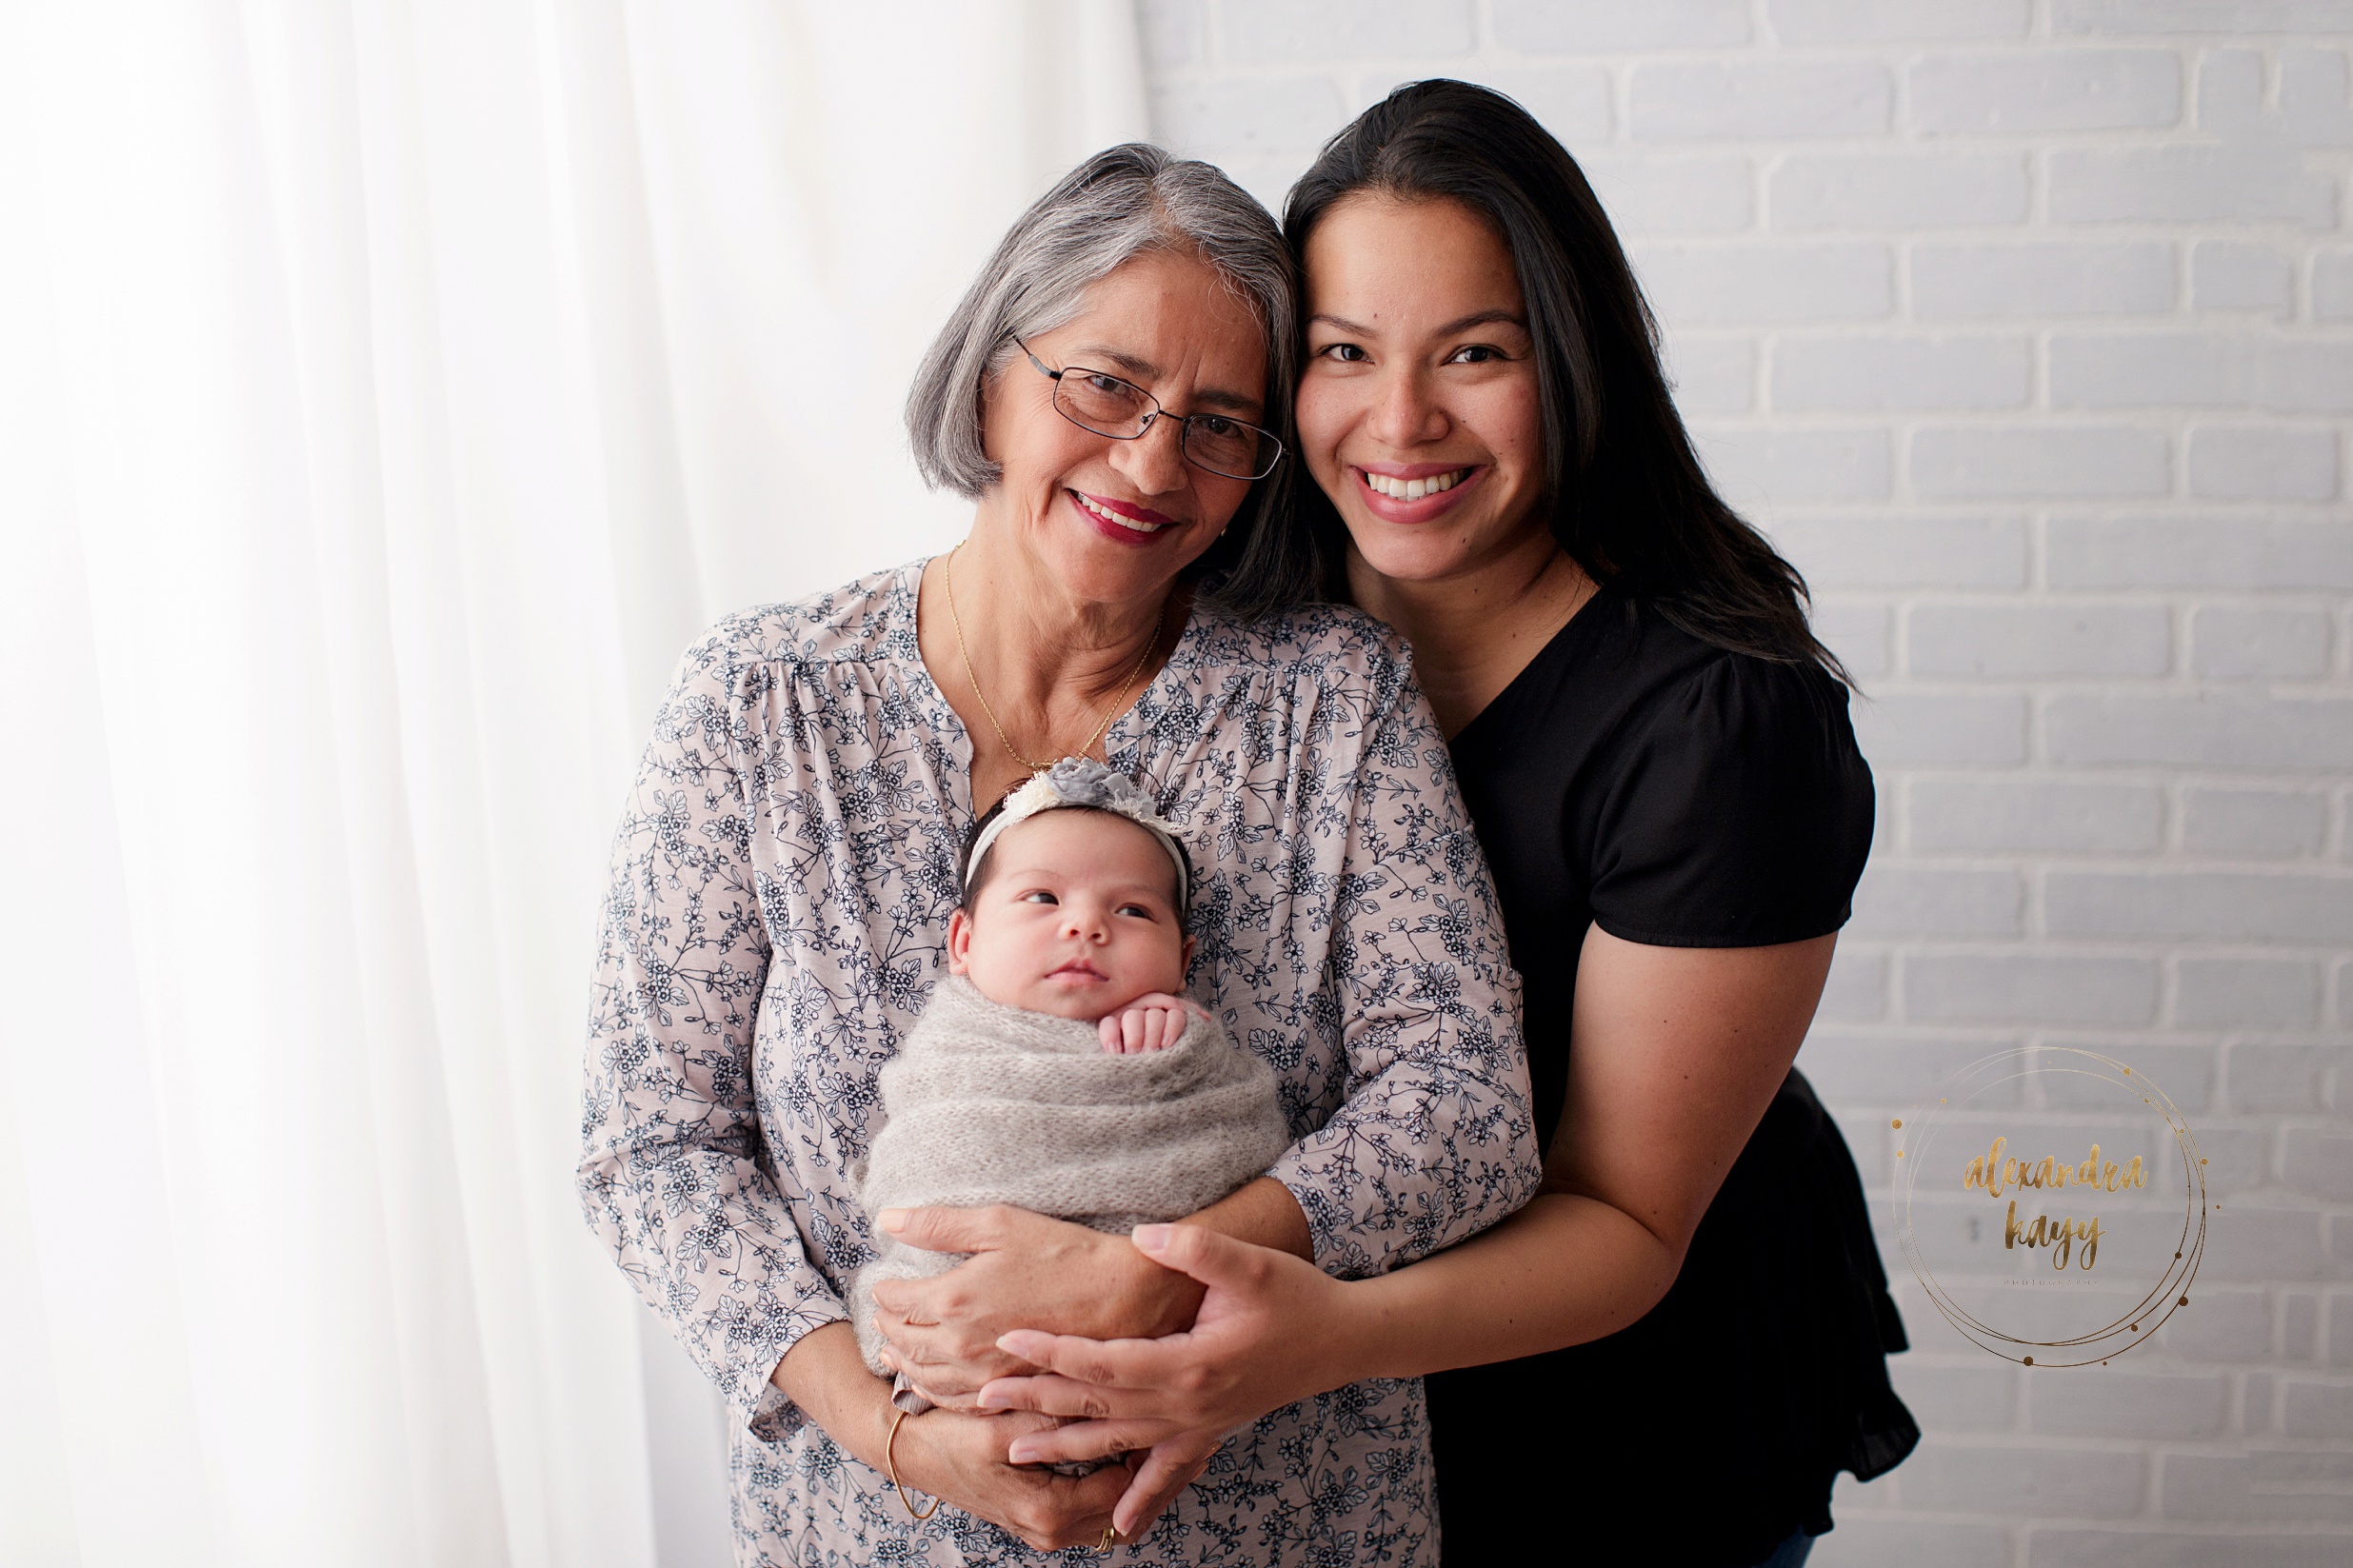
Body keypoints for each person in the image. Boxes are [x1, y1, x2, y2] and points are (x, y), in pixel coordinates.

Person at [945, 82, 1919, 1568]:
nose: (1398, 422)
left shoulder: (1722, 726)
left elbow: (1622, 1214)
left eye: (1474, 353)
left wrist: (1310, 1330)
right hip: (1309, 1383)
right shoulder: (1242, 629)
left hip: (1620, 1384)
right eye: (1341, 354)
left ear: (1571, 363)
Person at [575, 141, 1538, 1565]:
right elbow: (648, 1146)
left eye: (1220, 424)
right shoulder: (760, 702)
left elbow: (1467, 1103)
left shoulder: (1330, 700)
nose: (1153, 461)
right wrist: (887, 1427)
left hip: (1284, 1525)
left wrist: (1149, 1278)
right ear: (987, 380)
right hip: (870, 1521)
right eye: (1104, 385)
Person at [847, 758, 1290, 1427]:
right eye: (1042, 898)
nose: (1085, 925)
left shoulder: (1179, 1042)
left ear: (1182, 960)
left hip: (1162, 1357)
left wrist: (1180, 1052)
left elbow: (1235, 1142)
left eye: (1134, 909)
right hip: (953, 1333)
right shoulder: (952, 1042)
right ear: (963, 941)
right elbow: (920, 1164)